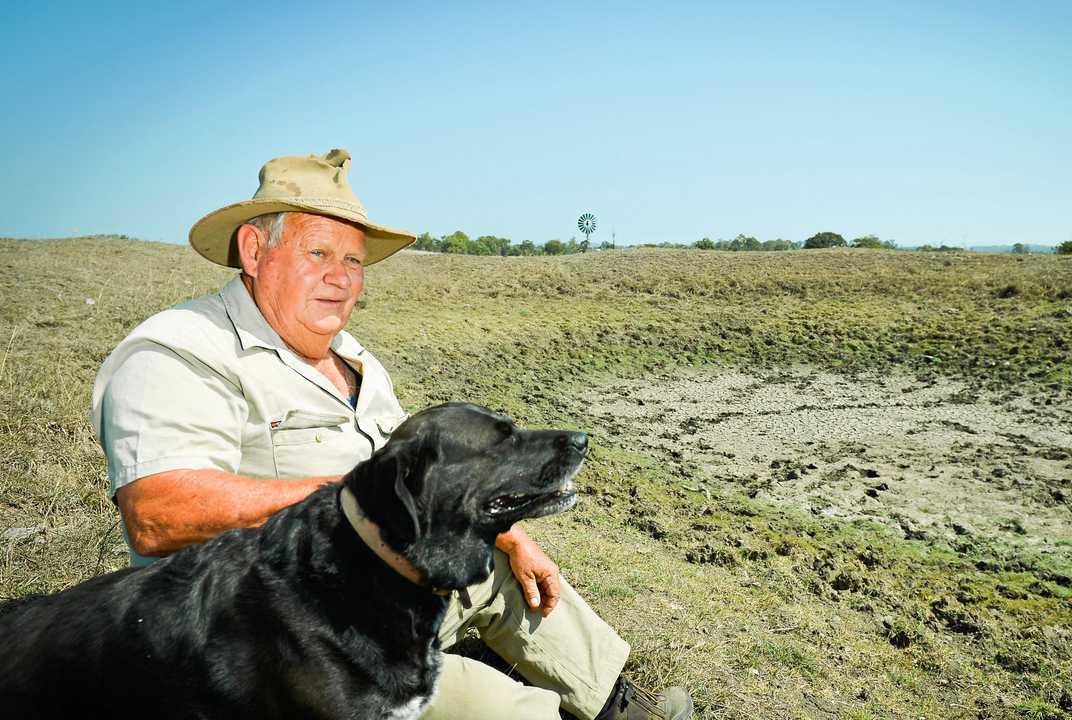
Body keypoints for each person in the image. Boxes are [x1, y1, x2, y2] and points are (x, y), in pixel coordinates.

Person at [90, 149, 693, 720]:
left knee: (515, 578)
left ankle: (618, 709)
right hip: (283, 640)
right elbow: (159, 511)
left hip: (381, 594)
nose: (341, 278)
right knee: (503, 711)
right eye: (318, 254)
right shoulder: (182, 350)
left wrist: (505, 534)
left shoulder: (354, 361)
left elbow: (420, 483)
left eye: (352, 261)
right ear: (254, 250)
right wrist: (357, 496)